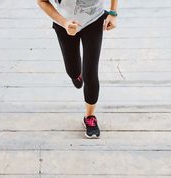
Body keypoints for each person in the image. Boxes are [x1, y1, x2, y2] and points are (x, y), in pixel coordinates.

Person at [37, 0, 118, 138]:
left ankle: (89, 117)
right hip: (65, 23)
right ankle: (76, 74)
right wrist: (64, 23)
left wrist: (113, 12)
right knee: (73, 71)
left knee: (90, 74)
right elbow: (41, 1)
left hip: (94, 20)